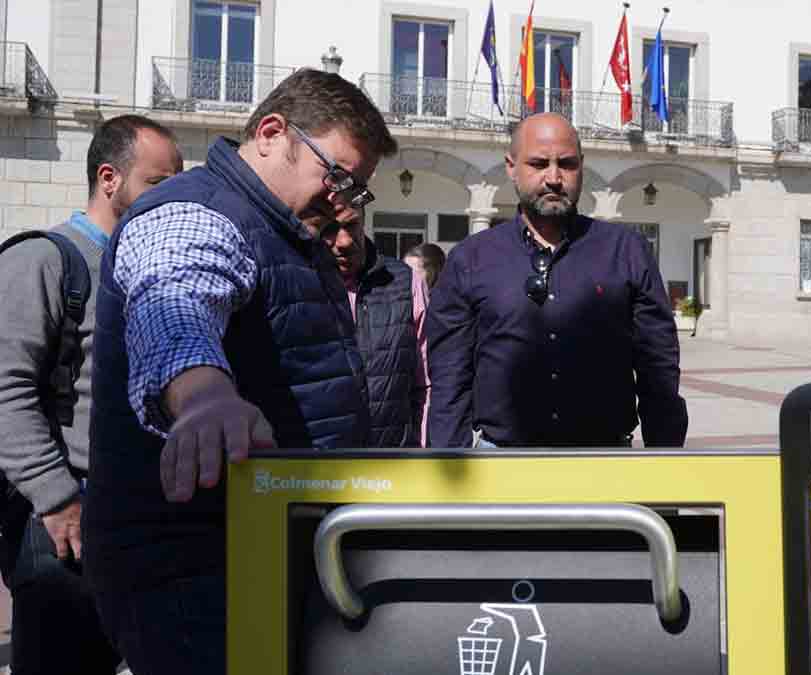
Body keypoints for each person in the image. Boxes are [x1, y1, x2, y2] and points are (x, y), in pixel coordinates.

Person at [83, 69, 397, 675]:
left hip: (268, 553)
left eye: (355, 192)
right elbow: (174, 299)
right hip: (196, 568)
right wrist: (204, 399)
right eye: (335, 177)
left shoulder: (285, 231)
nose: (340, 202)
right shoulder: (193, 212)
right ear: (272, 133)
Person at [0, 114, 181, 675]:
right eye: (159, 182)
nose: (173, 196)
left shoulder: (150, 268)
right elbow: (6, 388)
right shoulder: (45, 259)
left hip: (137, 519)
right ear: (109, 178)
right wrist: (56, 500)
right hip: (62, 525)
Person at [427, 112, 687, 448]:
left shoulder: (627, 251)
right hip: (503, 465)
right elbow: (450, 380)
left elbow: (659, 371)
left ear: (582, 165)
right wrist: (451, 484)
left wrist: (665, 479)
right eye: (538, 164)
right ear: (511, 167)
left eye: (566, 164)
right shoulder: (471, 258)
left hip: (603, 464)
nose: (554, 177)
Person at [321, 210, 430, 447]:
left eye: (351, 225)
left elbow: (427, 383)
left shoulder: (405, 282)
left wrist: (423, 454)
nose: (345, 241)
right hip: (319, 471)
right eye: (330, 228)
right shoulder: (297, 282)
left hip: (394, 465)